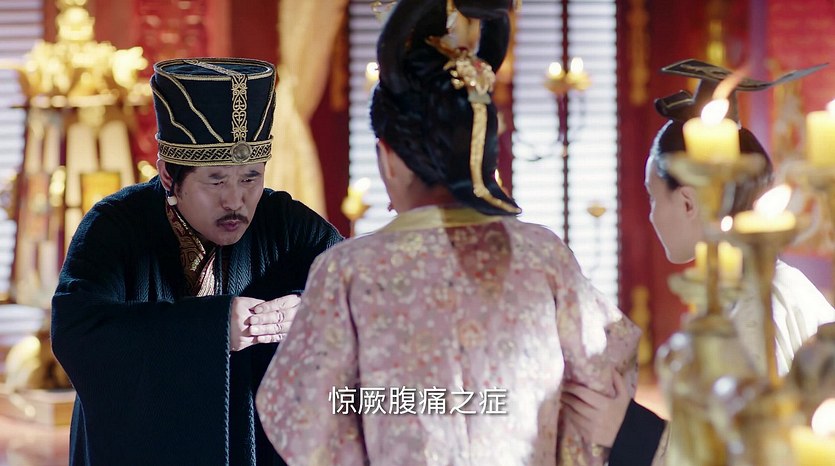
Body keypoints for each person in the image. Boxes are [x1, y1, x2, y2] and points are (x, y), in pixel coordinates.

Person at [255, 1, 641, 465]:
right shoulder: (544, 256)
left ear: (388, 157)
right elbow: (605, 378)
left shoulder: (348, 270)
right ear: (482, 147)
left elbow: (299, 414)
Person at [51, 58, 343, 465]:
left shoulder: (287, 225)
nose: (236, 200)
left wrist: (308, 310)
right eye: (216, 180)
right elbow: (77, 330)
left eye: (251, 177)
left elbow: (354, 294)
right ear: (169, 176)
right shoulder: (114, 226)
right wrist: (214, 328)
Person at [560, 60, 835, 466]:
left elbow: (755, 453)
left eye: (653, 197)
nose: (651, 215)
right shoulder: (756, 293)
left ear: (689, 202)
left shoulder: (760, 312)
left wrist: (631, 432)